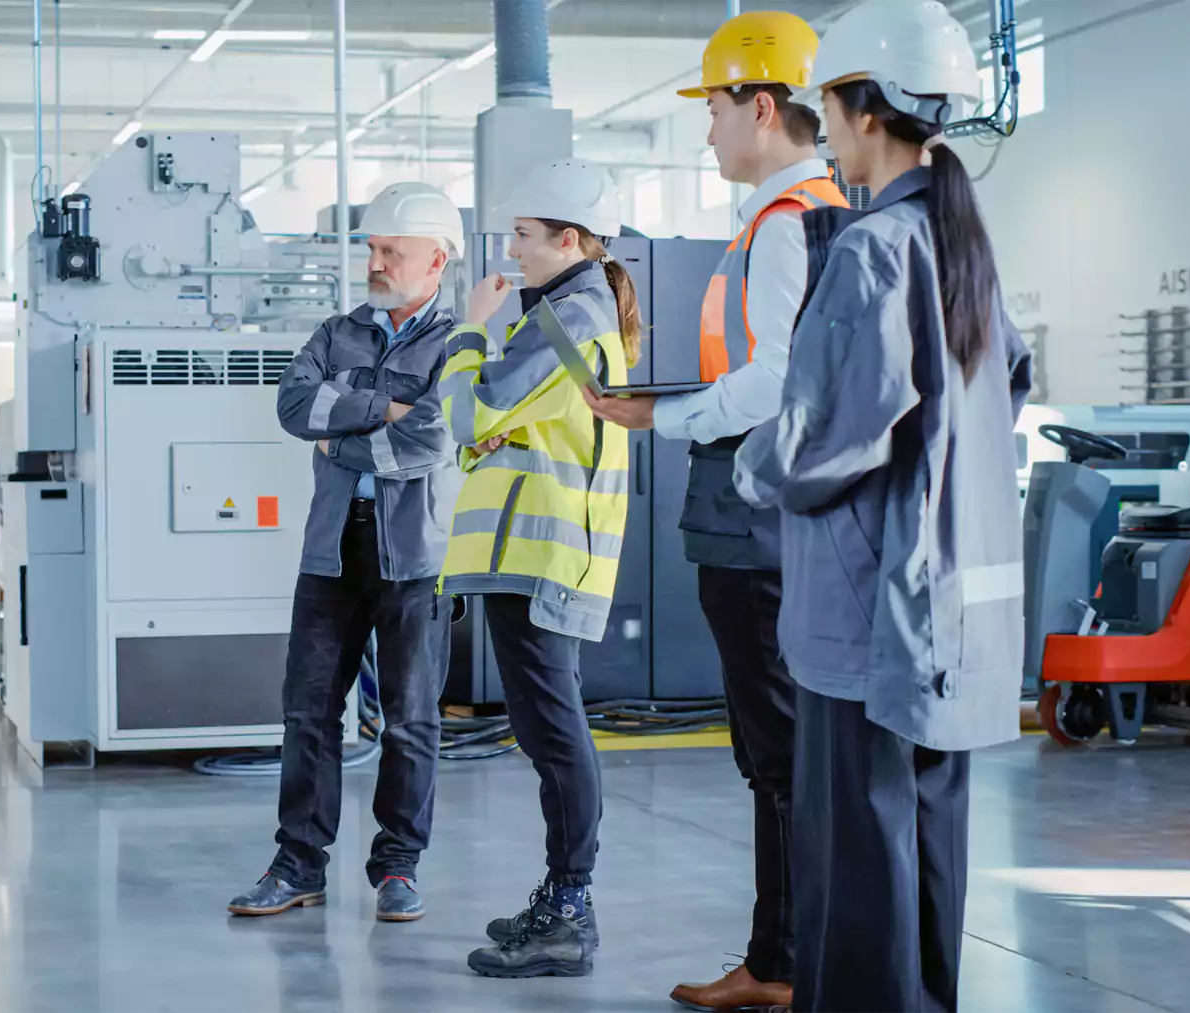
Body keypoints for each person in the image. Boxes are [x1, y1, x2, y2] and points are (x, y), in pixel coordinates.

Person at [732, 2, 1032, 1011]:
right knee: (925, 848)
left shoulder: (871, 250)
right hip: (952, 608)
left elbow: (826, 441)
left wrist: (748, 466)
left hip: (867, 616)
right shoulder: (966, 249)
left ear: (861, 112)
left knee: (856, 870)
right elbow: (997, 398)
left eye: (828, 105)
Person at [581, 11, 844, 1010]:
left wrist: (666, 415)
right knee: (776, 749)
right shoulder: (794, 217)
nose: (708, 131)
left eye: (717, 108)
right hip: (763, 509)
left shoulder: (788, 225)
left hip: (758, 513)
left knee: (776, 750)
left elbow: (776, 380)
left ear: (763, 107)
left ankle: (783, 962)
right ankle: (783, 954)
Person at [228, 182, 464, 924]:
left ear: (436, 260)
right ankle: (298, 862)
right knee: (307, 713)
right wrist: (387, 408)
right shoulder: (338, 331)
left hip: (417, 557)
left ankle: (397, 866)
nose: (377, 261)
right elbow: (295, 407)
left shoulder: (459, 345)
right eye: (373, 248)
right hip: (331, 551)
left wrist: (348, 433)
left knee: (411, 718)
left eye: (392, 250)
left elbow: (434, 435)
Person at [436, 160, 641, 979]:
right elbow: (496, 423)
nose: (510, 249)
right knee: (545, 732)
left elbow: (473, 408)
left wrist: (468, 330)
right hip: (531, 551)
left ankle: (569, 906)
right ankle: (561, 895)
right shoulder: (563, 313)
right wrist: (490, 417)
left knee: (555, 735)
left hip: (545, 553)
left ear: (567, 238)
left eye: (522, 235)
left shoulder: (568, 320)